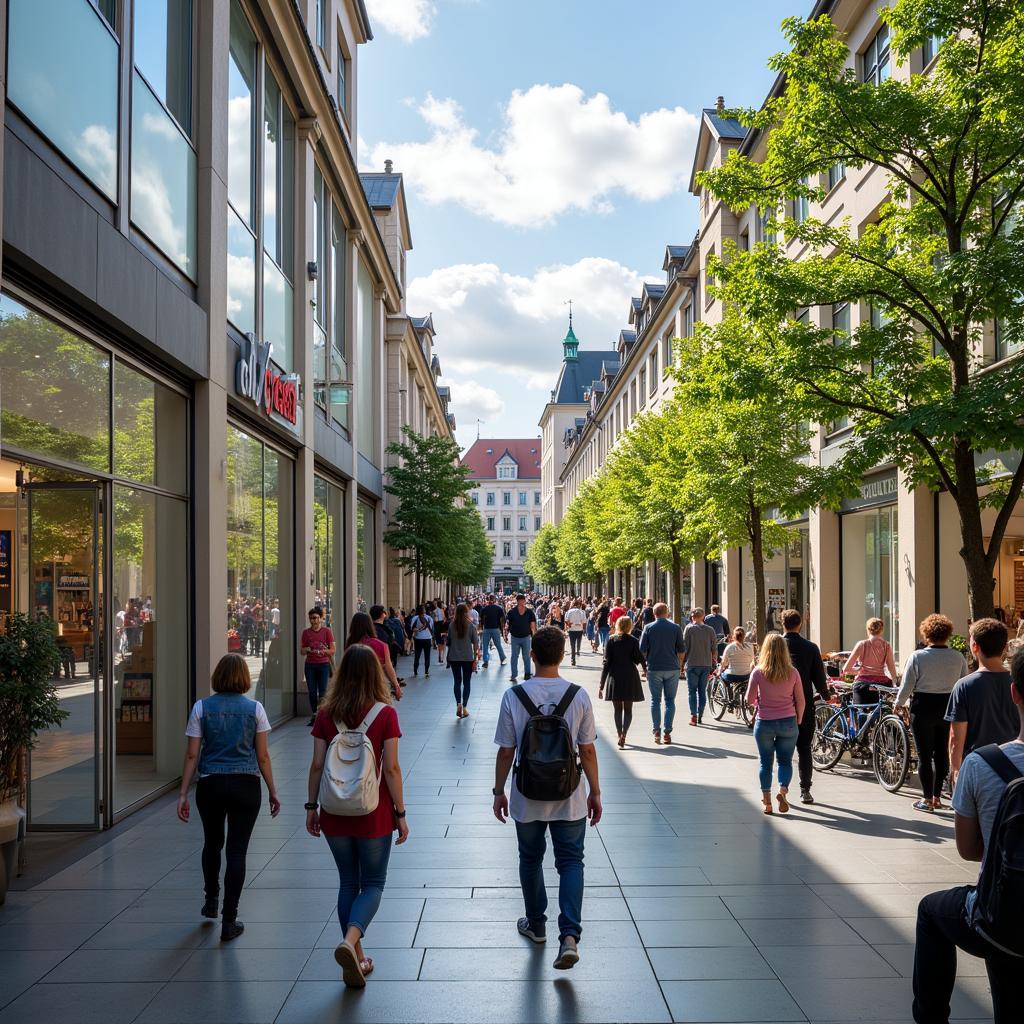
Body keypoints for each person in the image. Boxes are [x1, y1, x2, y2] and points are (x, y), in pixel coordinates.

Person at [911, 648, 1024, 1024]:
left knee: (932, 910)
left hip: (1006, 920)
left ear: (1015, 693)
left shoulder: (983, 764)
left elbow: (969, 849)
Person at [492, 626, 602, 971]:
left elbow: (505, 751)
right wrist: (595, 792)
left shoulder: (514, 696)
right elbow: (587, 749)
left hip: (527, 794)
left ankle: (536, 924)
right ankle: (568, 936)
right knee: (571, 862)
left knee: (530, 859)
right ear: (561, 654)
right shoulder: (578, 695)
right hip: (568, 794)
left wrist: (499, 792)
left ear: (532, 655)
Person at [306, 645, 408, 989]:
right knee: (374, 883)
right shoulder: (385, 714)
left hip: (334, 811)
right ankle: (350, 944)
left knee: (348, 882)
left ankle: (358, 958)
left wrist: (311, 808)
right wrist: (401, 813)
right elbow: (391, 768)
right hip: (373, 812)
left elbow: (318, 765)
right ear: (374, 674)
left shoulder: (325, 714)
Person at [177, 654, 280, 941]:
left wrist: (183, 792)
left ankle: (210, 899)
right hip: (246, 785)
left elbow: (191, 754)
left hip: (210, 784)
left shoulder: (201, 707)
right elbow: (262, 755)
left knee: (212, 844)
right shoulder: (255, 709)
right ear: (244, 677)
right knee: (237, 851)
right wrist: (273, 791)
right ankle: (229, 919)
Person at [896, 614, 969, 812]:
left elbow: (907, 685)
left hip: (922, 707)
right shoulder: (958, 657)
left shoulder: (917, 656)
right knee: (942, 754)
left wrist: (899, 703)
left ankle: (927, 799)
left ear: (926, 634)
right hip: (949, 707)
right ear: (947, 634)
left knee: (924, 755)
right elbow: (964, 683)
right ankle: (937, 796)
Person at [946, 617, 1016, 785]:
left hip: (978, 767)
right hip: (1015, 766)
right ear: (1005, 647)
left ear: (975, 646)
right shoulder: (1017, 682)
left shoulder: (964, 686)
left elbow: (956, 738)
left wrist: (955, 771)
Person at [746, 633, 805, 816]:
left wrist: (758, 702)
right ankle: (782, 792)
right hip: (788, 721)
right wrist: (799, 718)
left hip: (764, 722)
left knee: (765, 762)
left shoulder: (758, 672)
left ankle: (768, 802)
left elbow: (748, 699)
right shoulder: (793, 672)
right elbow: (801, 700)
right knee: (785, 761)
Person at [781, 609, 832, 805]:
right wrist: (827, 696)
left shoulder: (777, 645)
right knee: (804, 748)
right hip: (805, 705)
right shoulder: (811, 647)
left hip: (779, 705)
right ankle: (805, 790)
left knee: (782, 750)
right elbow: (819, 678)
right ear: (800, 624)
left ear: (782, 623)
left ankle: (781, 788)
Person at [639, 603, 686, 745]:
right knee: (670, 701)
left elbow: (642, 649)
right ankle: (667, 732)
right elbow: (681, 650)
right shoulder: (676, 627)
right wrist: (680, 665)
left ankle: (656, 731)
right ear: (667, 613)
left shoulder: (648, 628)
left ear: (654, 614)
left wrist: (645, 666)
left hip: (654, 667)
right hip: (672, 668)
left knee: (655, 700)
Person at [599, 615, 646, 748]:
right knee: (628, 709)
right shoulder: (633, 641)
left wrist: (601, 685)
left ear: (618, 625)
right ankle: (625, 733)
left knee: (617, 710)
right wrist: (645, 669)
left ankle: (619, 733)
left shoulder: (612, 640)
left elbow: (606, 663)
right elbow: (639, 658)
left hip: (615, 676)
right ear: (629, 626)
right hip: (630, 675)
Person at [345, 612, 403, 701]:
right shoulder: (381, 645)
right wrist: (396, 685)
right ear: (370, 625)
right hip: (376, 687)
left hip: (353, 687)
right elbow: (388, 667)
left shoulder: (350, 644)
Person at [842, 617, 897, 705]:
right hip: (881, 685)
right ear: (881, 630)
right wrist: (894, 683)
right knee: (880, 714)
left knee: (860, 712)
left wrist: (858, 670)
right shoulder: (887, 646)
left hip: (863, 684)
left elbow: (846, 669)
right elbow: (892, 668)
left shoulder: (862, 644)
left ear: (868, 629)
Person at [682, 608, 718, 726]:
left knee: (692, 691)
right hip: (705, 664)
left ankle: (693, 715)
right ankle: (700, 713)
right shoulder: (710, 630)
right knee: (702, 691)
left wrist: (682, 664)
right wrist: (714, 661)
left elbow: (684, 648)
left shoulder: (688, 629)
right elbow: (714, 649)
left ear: (693, 617)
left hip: (692, 663)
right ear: (703, 617)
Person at [301, 607, 336, 726]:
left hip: (323, 665)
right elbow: (302, 651)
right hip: (310, 665)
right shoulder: (306, 632)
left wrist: (323, 651)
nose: (313, 621)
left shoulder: (327, 632)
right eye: (311, 618)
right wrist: (307, 649)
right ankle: (314, 713)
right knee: (311, 691)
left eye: (315, 618)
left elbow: (333, 650)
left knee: (322, 691)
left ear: (321, 619)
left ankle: (321, 715)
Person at [447, 602, 480, 719]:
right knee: (467, 682)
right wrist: (476, 658)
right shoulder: (471, 626)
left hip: (454, 657)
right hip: (467, 658)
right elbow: (476, 643)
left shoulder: (451, 625)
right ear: (466, 612)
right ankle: (465, 707)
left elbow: (449, 641)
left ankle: (458, 704)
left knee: (457, 681)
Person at [506, 593, 538, 683]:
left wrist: (535, 636)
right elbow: (508, 624)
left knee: (527, 656)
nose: (521, 602)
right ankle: (513, 674)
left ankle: (527, 674)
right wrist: (505, 634)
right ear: (517, 601)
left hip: (526, 637)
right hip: (515, 637)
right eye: (520, 600)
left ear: (524, 600)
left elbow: (533, 625)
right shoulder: (511, 612)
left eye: (523, 600)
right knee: (514, 656)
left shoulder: (529, 612)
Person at [720, 626, 756, 698]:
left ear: (734, 636)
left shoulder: (730, 647)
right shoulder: (750, 647)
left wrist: (719, 671)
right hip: (746, 675)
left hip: (732, 675)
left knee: (722, 676)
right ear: (744, 636)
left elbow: (724, 662)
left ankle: (729, 695)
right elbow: (753, 660)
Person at [478, 595, 507, 668]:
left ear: (488, 600)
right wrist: (502, 630)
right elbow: (502, 619)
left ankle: (486, 661)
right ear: (495, 600)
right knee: (498, 645)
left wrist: (481, 627)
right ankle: (502, 658)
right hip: (495, 628)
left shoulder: (484, 609)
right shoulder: (498, 608)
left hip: (487, 629)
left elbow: (481, 620)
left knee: (485, 646)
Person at [409, 605, 434, 677]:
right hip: (427, 638)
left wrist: (417, 630)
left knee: (417, 655)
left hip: (418, 638)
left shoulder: (415, 618)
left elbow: (412, 628)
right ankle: (426, 671)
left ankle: (415, 671)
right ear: (424, 610)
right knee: (427, 656)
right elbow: (431, 628)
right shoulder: (429, 618)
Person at [564, 599, 588, 666]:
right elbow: (584, 622)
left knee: (572, 645)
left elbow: (566, 620)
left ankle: (573, 659)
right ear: (579, 605)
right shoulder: (582, 612)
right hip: (579, 629)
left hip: (571, 630)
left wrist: (569, 625)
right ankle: (578, 650)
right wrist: (583, 629)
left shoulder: (569, 611)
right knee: (579, 641)